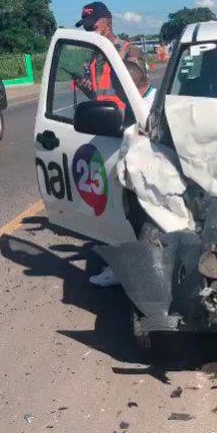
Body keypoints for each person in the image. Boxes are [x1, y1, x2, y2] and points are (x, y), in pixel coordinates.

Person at [87, 61, 157, 287]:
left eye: (118, 89)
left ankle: (131, 271)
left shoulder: (147, 107)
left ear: (130, 86)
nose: (117, 94)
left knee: (139, 223)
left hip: (147, 179)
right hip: (143, 176)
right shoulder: (153, 97)